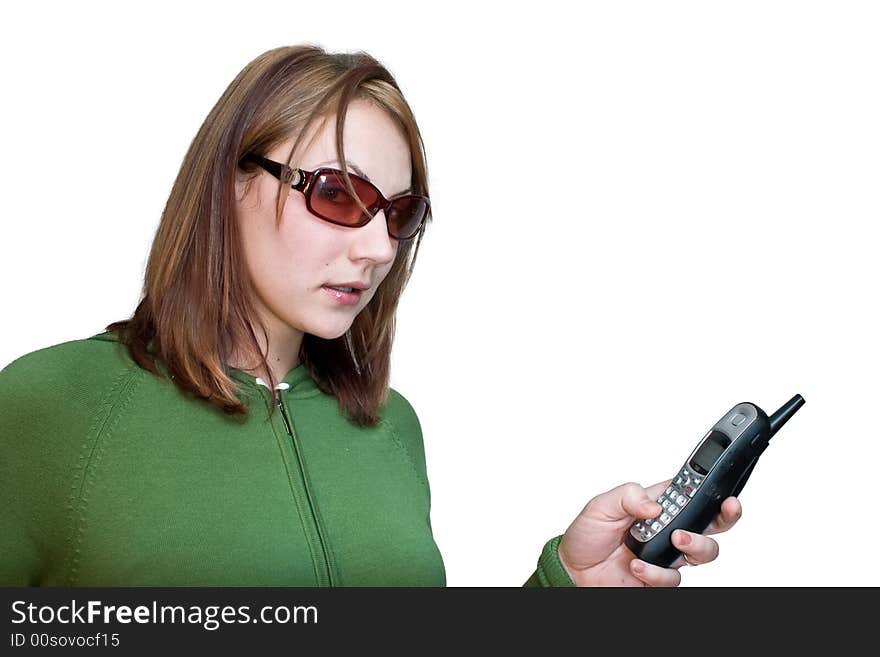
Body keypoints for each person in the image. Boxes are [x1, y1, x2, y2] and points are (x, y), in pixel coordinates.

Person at [0, 45, 742, 587]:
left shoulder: (388, 426)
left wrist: (572, 587)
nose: (377, 245)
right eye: (336, 194)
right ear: (230, 183)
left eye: (398, 213)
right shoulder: (51, 408)